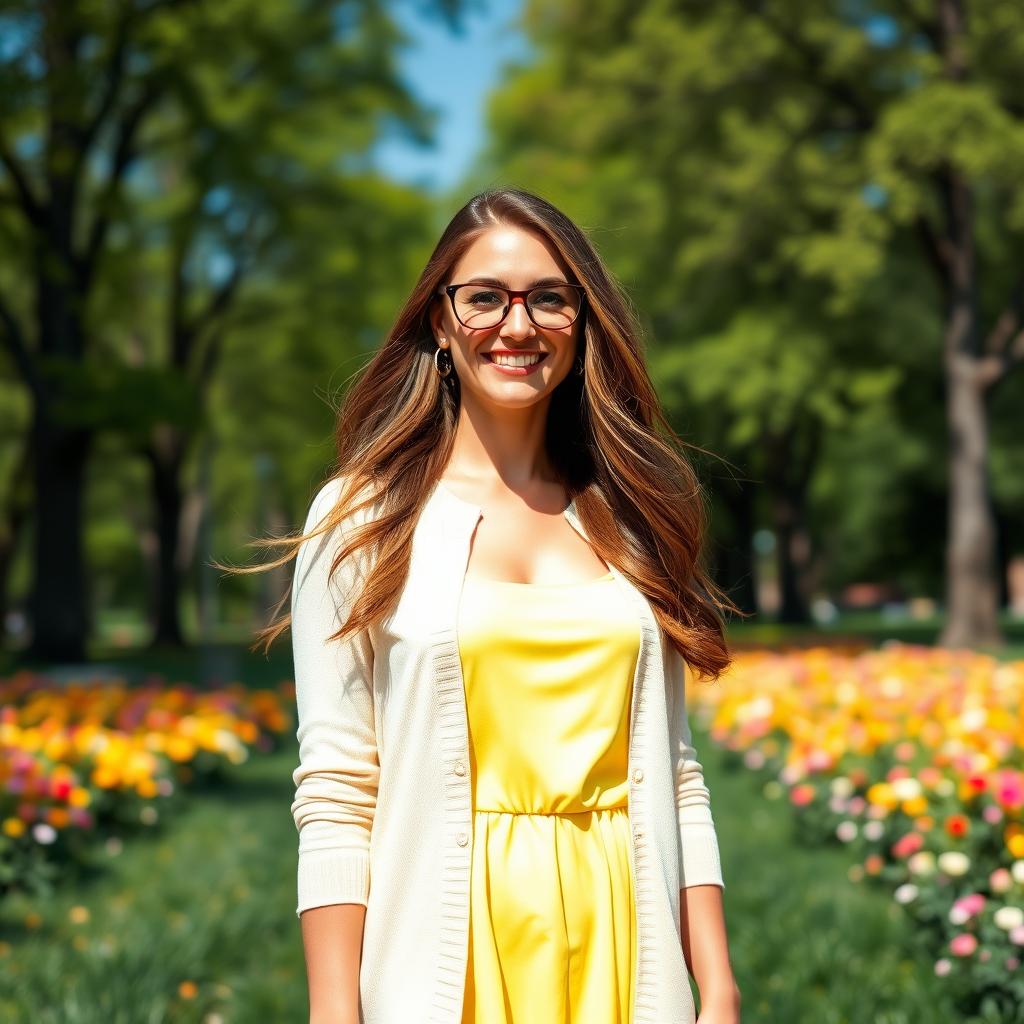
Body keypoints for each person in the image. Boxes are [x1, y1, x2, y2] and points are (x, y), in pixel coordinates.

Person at [252, 188, 741, 1024]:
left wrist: (717, 985)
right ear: (441, 321)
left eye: (549, 298)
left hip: (626, 956)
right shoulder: (362, 517)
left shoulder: (632, 514)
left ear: (582, 322)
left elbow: (677, 770)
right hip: (446, 963)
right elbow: (336, 790)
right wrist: (334, 1012)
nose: (517, 326)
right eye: (484, 297)